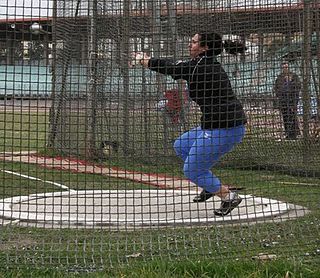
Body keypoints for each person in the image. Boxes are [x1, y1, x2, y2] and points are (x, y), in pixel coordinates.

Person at [136, 33, 247, 216]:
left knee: (192, 170)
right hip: (212, 125)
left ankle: (229, 197)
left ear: (205, 48)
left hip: (226, 128)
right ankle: (210, 185)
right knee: (181, 145)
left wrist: (145, 60)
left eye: (194, 42)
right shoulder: (202, 64)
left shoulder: (201, 67)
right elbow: (176, 66)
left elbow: (171, 67)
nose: (190, 44)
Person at [273, 61, 301, 140]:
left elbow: (298, 86)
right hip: (283, 101)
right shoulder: (279, 78)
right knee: (285, 117)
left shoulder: (294, 76)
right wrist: (279, 94)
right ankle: (288, 133)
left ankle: (294, 134)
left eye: (286, 67)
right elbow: (276, 88)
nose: (285, 69)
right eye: (283, 67)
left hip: (292, 100)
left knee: (292, 116)